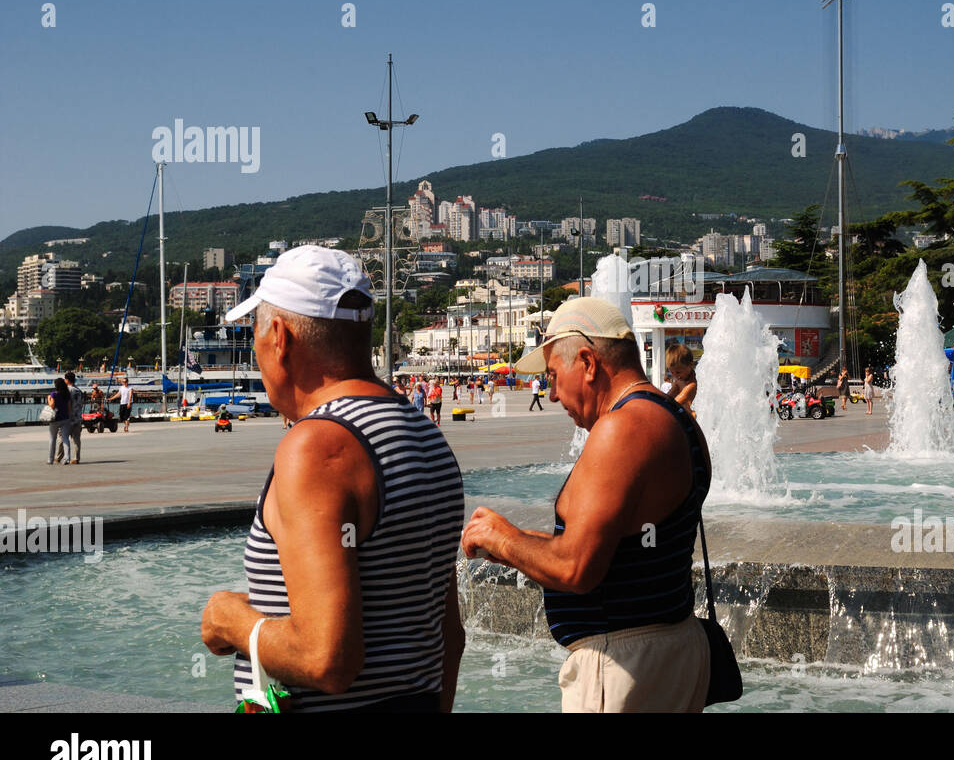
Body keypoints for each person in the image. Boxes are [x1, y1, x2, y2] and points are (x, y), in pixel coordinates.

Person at [200, 245, 464, 712]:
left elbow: (328, 661)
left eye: (256, 337)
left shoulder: (318, 446)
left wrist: (233, 622)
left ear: (279, 337)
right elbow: (448, 634)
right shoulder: (424, 433)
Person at [462, 297, 712, 712]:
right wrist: (518, 544)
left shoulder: (621, 429)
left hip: (621, 666)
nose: (554, 394)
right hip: (674, 649)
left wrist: (504, 540)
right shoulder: (679, 419)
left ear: (588, 362)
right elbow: (616, 548)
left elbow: (576, 569)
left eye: (554, 376)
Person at [665, 342, 698, 411]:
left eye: (678, 372)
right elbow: (668, 397)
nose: (675, 376)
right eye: (672, 372)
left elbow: (675, 403)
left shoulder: (691, 385)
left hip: (691, 420)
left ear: (691, 365)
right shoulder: (680, 381)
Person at [46, 378, 71, 465]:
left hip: (55, 419)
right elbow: (69, 408)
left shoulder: (54, 394)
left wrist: (49, 398)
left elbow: (52, 405)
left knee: (52, 439)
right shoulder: (67, 394)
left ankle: (50, 459)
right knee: (65, 439)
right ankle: (67, 458)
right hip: (65, 418)